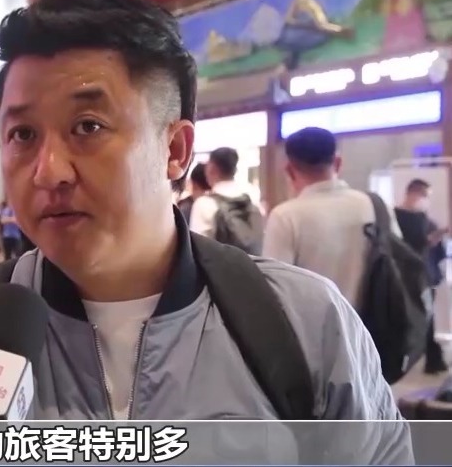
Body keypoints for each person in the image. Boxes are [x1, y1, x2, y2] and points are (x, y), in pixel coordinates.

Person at [0, 0, 412, 462]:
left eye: (87, 126)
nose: (49, 171)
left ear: (175, 149)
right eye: (22, 135)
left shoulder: (304, 322)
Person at [263, 127, 401, 308]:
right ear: (337, 163)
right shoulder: (377, 206)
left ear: (289, 169)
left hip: (312, 323)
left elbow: (275, 288)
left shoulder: (285, 216)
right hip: (375, 323)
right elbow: (398, 265)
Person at [394, 178, 449, 375]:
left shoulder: (424, 218)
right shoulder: (395, 218)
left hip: (424, 275)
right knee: (411, 317)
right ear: (413, 193)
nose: (426, 200)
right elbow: (409, 245)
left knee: (427, 317)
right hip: (405, 276)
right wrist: (434, 237)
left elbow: (432, 248)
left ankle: (433, 359)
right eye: (425, 195)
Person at [189, 147, 263, 253]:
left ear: (212, 168)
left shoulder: (204, 204)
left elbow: (197, 249)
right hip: (253, 262)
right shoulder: (252, 199)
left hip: (221, 263)